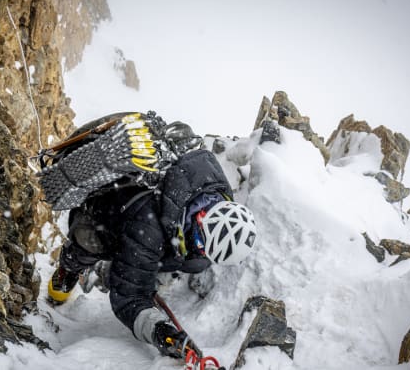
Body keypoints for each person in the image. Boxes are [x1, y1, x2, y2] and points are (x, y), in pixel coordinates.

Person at [44, 112, 258, 359]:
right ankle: (68, 270)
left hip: (157, 223)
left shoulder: (214, 188)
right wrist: (159, 331)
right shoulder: (148, 229)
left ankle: (148, 266)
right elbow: (129, 296)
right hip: (107, 213)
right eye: (201, 241)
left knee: (193, 261)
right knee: (87, 242)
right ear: (201, 219)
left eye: (206, 247)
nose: (200, 249)